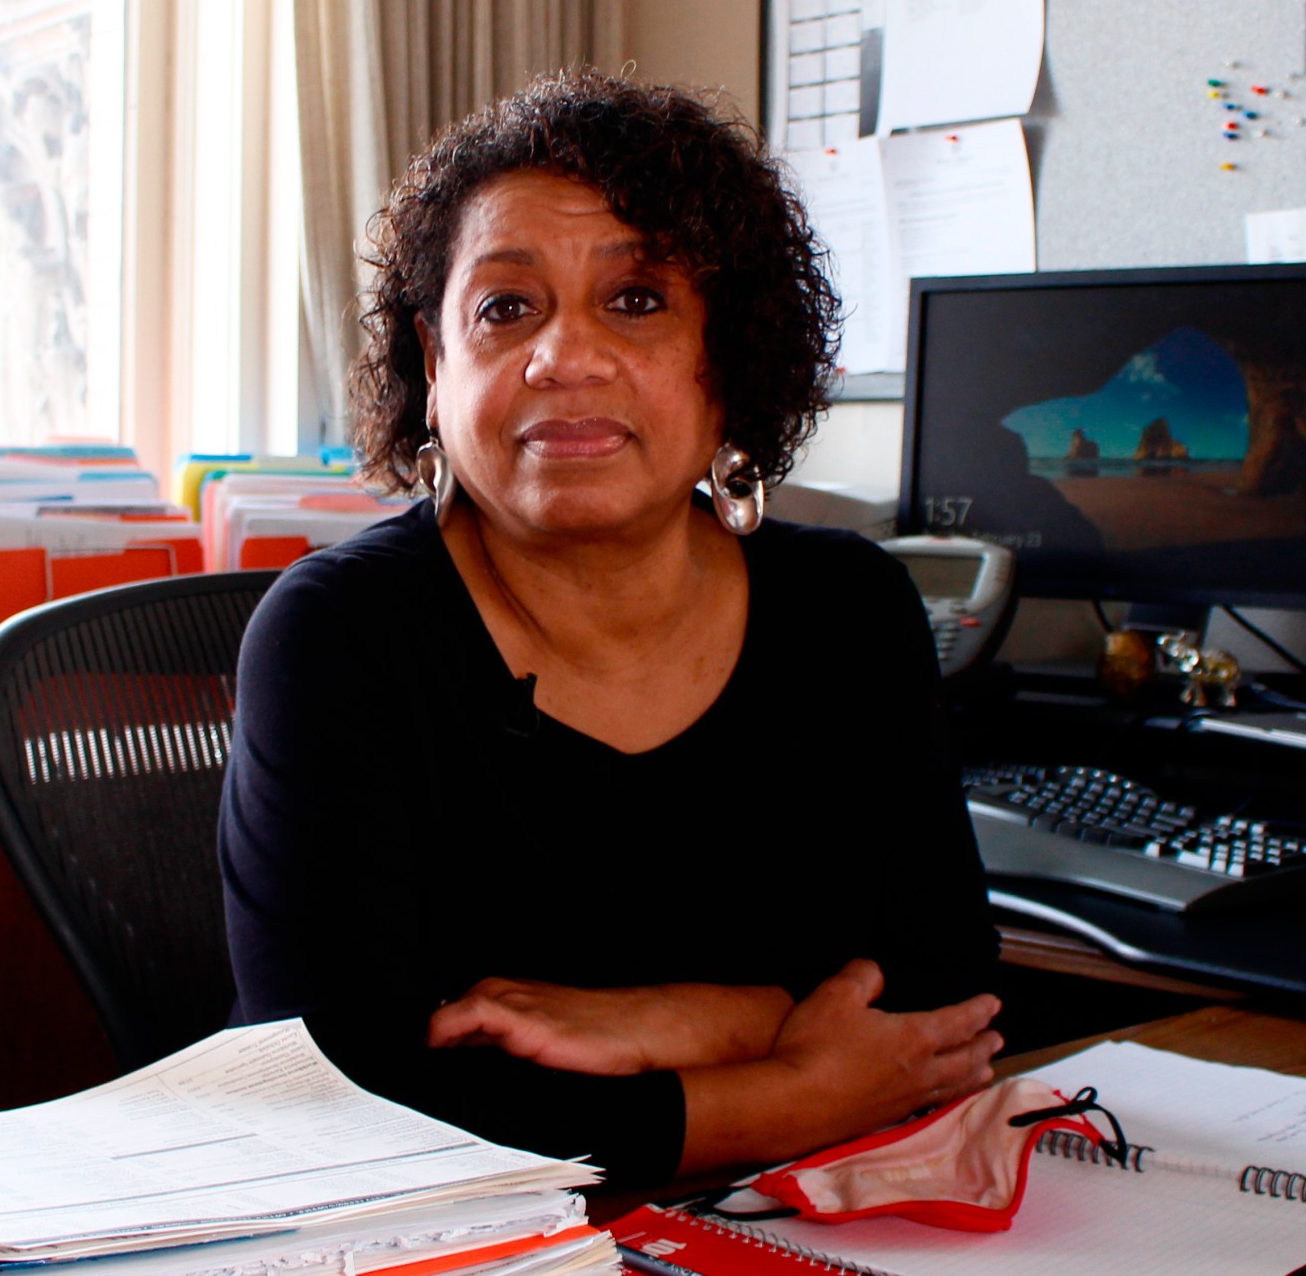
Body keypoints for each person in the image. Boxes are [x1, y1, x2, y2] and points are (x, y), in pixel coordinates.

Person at [219, 71, 1001, 1188]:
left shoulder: (850, 611)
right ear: (436, 371)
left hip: (820, 1226)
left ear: (726, 361)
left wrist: (675, 1022)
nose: (563, 357)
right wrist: (784, 1089)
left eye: (636, 300)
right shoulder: (342, 636)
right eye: (504, 308)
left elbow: (945, 1006)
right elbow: (346, 1088)